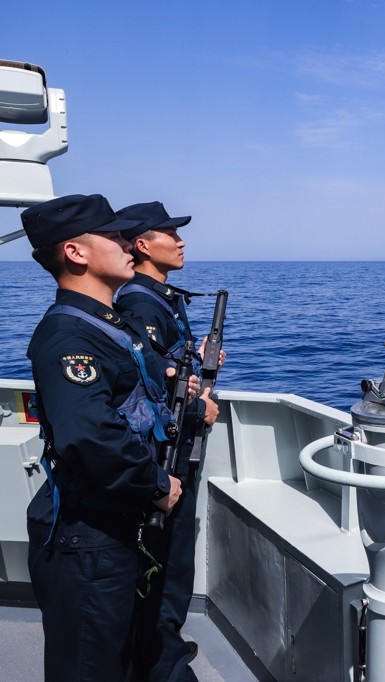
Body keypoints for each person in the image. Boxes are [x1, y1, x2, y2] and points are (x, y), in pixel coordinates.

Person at [21, 194, 185, 681]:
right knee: (89, 666)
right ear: (76, 253)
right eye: (113, 237)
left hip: (115, 524)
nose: (126, 245)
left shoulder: (105, 324)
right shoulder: (69, 338)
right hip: (85, 537)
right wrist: (156, 485)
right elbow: (90, 438)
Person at [114, 201, 220, 682]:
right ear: (141, 244)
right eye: (170, 234)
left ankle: (165, 647)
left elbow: (170, 373)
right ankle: (162, 662)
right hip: (164, 456)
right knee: (166, 563)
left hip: (173, 449)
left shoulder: (159, 298)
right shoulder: (139, 303)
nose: (180, 241)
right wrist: (201, 408)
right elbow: (149, 389)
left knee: (170, 562)